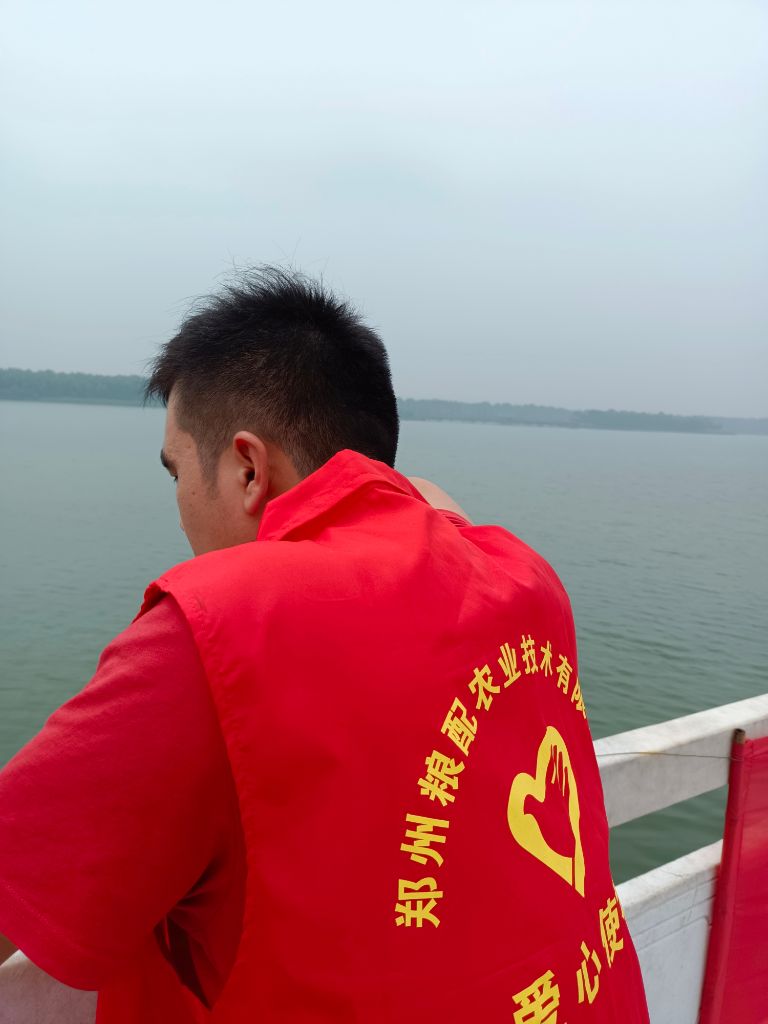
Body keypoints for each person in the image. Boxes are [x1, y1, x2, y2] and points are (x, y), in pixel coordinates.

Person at [0, 267, 649, 1023]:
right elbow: (430, 503)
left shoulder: (216, 635)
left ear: (248, 467)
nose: (178, 506)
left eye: (176, 471)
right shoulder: (524, 581)